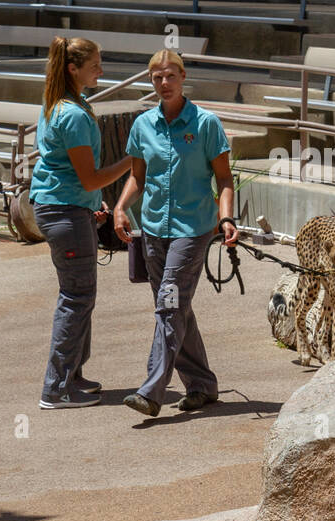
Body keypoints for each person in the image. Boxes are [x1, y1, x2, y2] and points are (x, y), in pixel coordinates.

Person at [112, 49, 238, 417]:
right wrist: (121, 208)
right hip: (152, 229)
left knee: (168, 305)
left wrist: (227, 218)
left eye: (170, 76)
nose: (163, 84)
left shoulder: (205, 124)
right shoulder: (143, 125)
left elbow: (225, 178)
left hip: (192, 228)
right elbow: (138, 176)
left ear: (183, 77)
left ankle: (152, 390)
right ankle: (202, 385)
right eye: (156, 78)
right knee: (177, 308)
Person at [31, 36, 134, 410]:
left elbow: (77, 179)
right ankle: (56, 388)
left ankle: (72, 375)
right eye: (95, 66)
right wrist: (132, 161)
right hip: (63, 212)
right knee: (76, 298)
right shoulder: (72, 114)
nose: (101, 71)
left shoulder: (60, 105)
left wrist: (92, 204)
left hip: (66, 208)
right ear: (73, 69)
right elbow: (89, 178)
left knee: (79, 297)